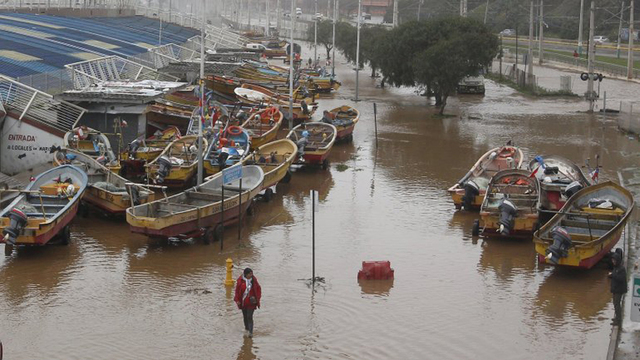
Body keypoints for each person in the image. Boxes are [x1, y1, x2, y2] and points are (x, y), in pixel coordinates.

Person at [234, 268, 262, 337]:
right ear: (246, 274)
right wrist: (237, 300)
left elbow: (258, 289)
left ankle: (250, 332)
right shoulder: (240, 281)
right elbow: (237, 291)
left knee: (249, 316)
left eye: (252, 273)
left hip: (251, 303)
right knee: (245, 316)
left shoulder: (254, 281)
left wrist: (257, 299)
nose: (251, 275)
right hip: (243, 302)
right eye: (250, 274)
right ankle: (246, 329)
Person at [610, 250, 628, 326]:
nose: (613, 262)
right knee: (615, 304)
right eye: (612, 260)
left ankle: (618, 320)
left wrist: (612, 275)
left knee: (617, 305)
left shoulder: (621, 269)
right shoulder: (616, 268)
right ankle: (617, 317)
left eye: (614, 260)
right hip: (615, 289)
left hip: (619, 290)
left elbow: (621, 279)